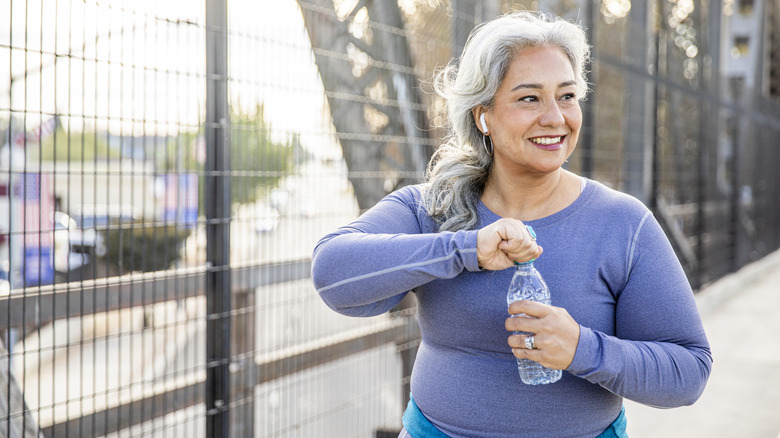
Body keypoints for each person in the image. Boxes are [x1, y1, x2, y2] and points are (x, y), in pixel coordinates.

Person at [311, 10, 712, 438]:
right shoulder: (433, 208)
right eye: (529, 98)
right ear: (483, 115)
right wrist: (463, 250)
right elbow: (332, 276)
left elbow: (689, 372)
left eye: (567, 96)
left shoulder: (624, 224)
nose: (556, 117)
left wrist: (583, 349)